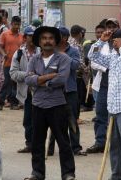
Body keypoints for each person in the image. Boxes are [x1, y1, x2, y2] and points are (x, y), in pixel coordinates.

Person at [24, 26, 75, 180]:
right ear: (39, 42)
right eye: (44, 38)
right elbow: (27, 79)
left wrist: (38, 79)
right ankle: (37, 173)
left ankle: (68, 174)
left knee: (63, 142)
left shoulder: (64, 58)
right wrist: (46, 77)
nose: (47, 41)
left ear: (55, 41)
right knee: (37, 142)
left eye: (51, 38)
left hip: (57, 105)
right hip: (38, 105)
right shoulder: (34, 59)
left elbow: (61, 79)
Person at [88, 28, 121, 180]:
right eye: (113, 41)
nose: (114, 43)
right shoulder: (113, 57)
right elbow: (92, 56)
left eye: (116, 40)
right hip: (112, 108)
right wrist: (101, 41)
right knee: (114, 146)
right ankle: (116, 175)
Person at [48, 27, 86, 156]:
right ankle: (50, 148)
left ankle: (75, 147)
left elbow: (76, 66)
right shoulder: (51, 51)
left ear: (64, 38)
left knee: (72, 120)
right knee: (53, 120)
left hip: (70, 90)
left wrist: (64, 57)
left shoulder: (73, 51)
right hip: (55, 90)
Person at [86, 19, 119, 154]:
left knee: (117, 117)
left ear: (118, 27)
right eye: (109, 26)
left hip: (119, 87)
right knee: (100, 115)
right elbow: (93, 61)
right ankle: (100, 142)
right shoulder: (101, 43)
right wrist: (108, 68)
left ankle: (117, 145)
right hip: (103, 85)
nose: (111, 29)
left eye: (113, 26)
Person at [9, 26, 37, 153]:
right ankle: (30, 144)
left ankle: (40, 144)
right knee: (28, 120)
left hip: (41, 92)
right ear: (25, 38)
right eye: (30, 36)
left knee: (42, 119)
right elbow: (13, 73)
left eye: (34, 35)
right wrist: (28, 75)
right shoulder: (19, 53)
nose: (33, 38)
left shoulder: (42, 52)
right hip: (27, 93)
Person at [0, 16, 23, 110]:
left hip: (18, 64)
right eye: (15, 24)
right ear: (11, 24)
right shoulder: (5, 34)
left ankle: (14, 103)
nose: (16, 26)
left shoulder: (21, 36)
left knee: (15, 84)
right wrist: (4, 54)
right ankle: (0, 103)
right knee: (5, 83)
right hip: (7, 63)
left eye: (18, 24)